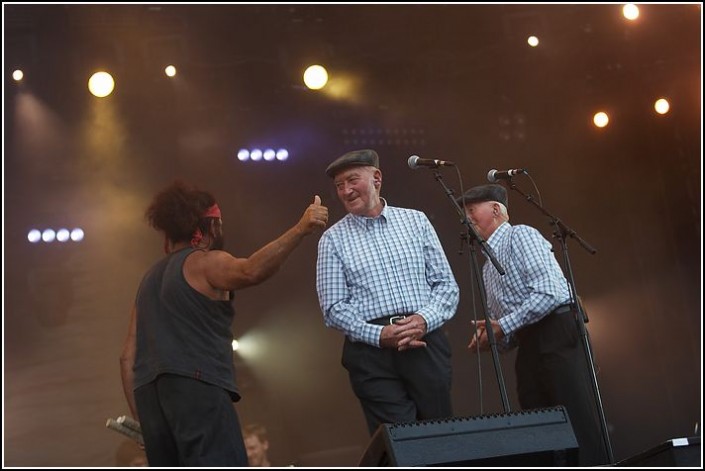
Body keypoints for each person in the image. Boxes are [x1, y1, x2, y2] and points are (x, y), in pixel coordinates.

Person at [120, 180, 328, 466]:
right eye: (220, 222)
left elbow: (126, 358)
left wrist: (143, 422)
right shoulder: (204, 262)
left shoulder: (147, 282)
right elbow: (251, 270)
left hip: (149, 401)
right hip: (196, 387)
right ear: (211, 226)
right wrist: (300, 229)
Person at [460, 183, 608, 466]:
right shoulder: (486, 267)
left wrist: (503, 325)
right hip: (529, 345)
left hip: (557, 332)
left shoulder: (521, 236)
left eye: (471, 210)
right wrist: (492, 337)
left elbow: (550, 293)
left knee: (576, 419)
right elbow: (508, 329)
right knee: (538, 426)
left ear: (495, 209)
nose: (466, 218)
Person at [316, 149, 459, 435]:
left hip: (424, 339)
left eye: (352, 180)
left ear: (377, 178)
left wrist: (422, 320)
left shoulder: (415, 221)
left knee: (442, 436)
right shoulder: (331, 239)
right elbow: (333, 308)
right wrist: (379, 336)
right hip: (371, 353)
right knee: (401, 442)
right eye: (339, 186)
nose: (345, 190)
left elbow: (446, 285)